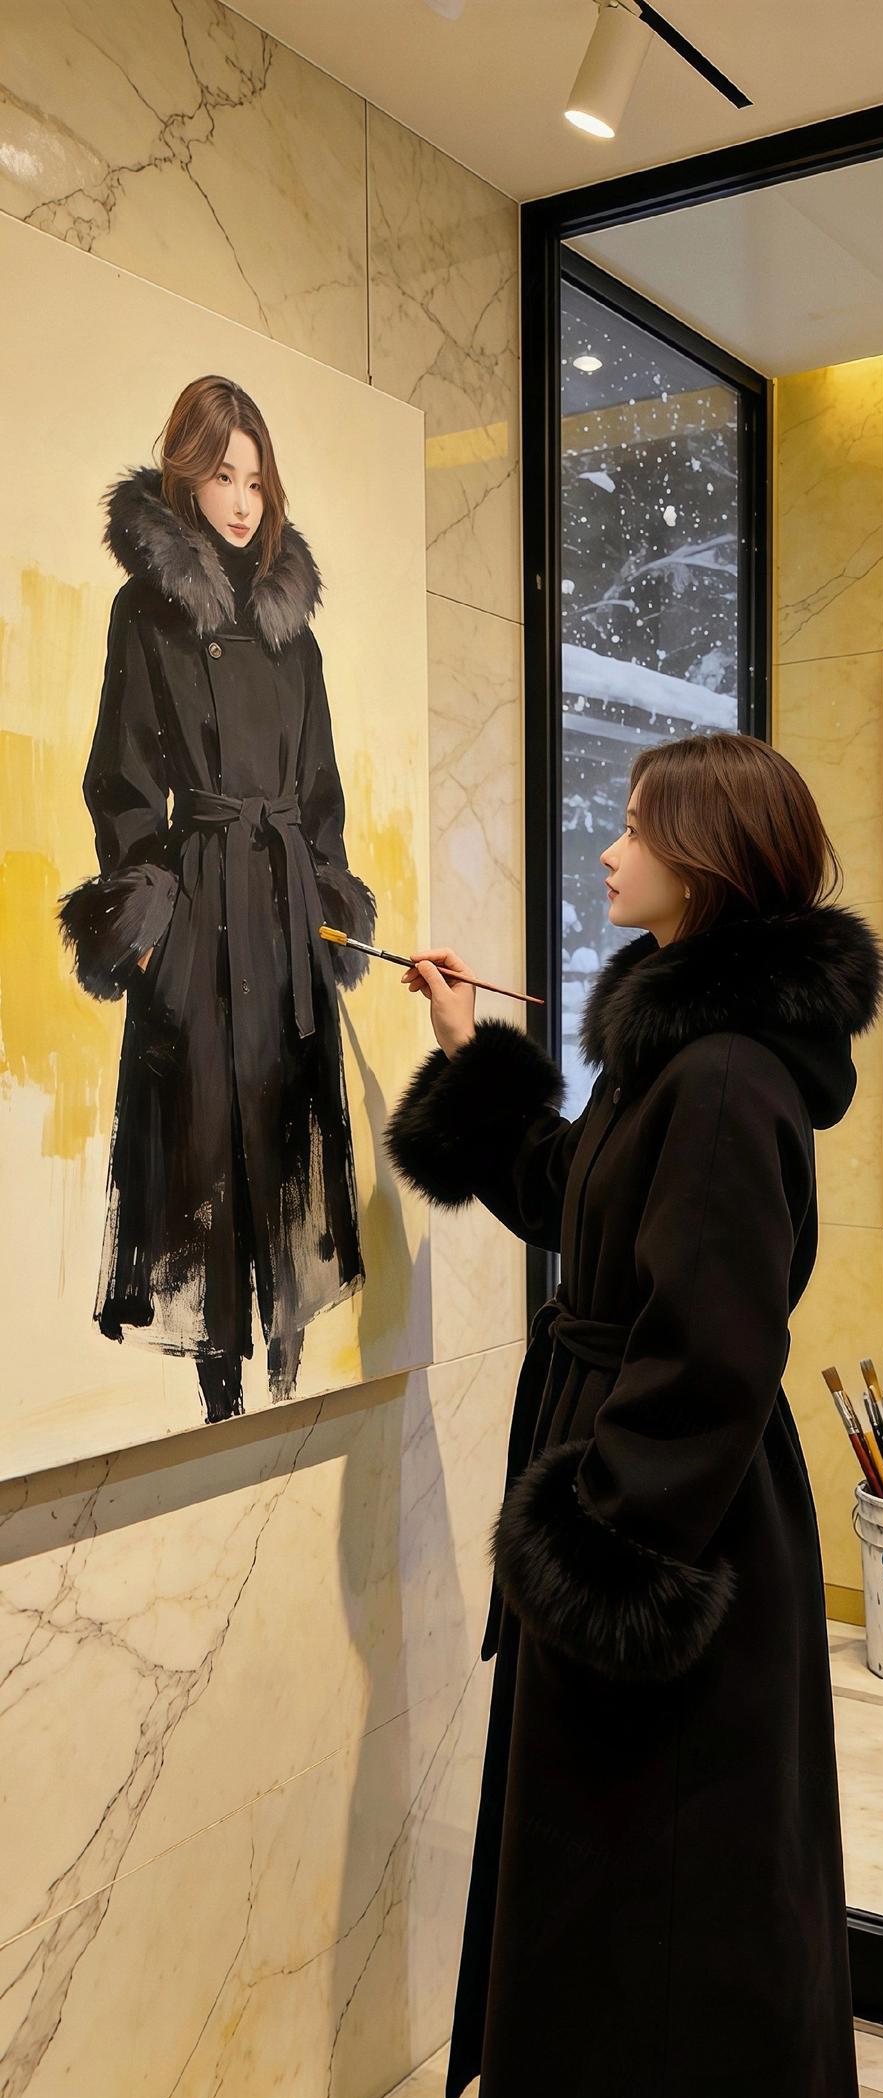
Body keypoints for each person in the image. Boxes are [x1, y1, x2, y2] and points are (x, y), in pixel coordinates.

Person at [383, 732, 883, 2098]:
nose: (608, 852)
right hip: (647, 1497)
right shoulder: (679, 1054)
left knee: (687, 1885)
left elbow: (714, 1348)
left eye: (635, 828)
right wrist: (468, 1048)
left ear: (707, 859)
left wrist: (603, 1545)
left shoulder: (724, 1078)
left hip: (676, 1526)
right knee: (640, 1885)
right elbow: (567, 1192)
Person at [59, 374, 375, 1422]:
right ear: (185, 478)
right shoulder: (146, 613)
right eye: (221, 476)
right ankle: (218, 1398)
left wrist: (327, 904)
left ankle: (276, 1393)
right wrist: (146, 922)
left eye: (255, 479)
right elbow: (120, 778)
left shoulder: (293, 628)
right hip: (197, 911)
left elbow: (321, 789)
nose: (241, 501)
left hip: (283, 916)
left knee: (284, 1145)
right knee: (199, 1153)